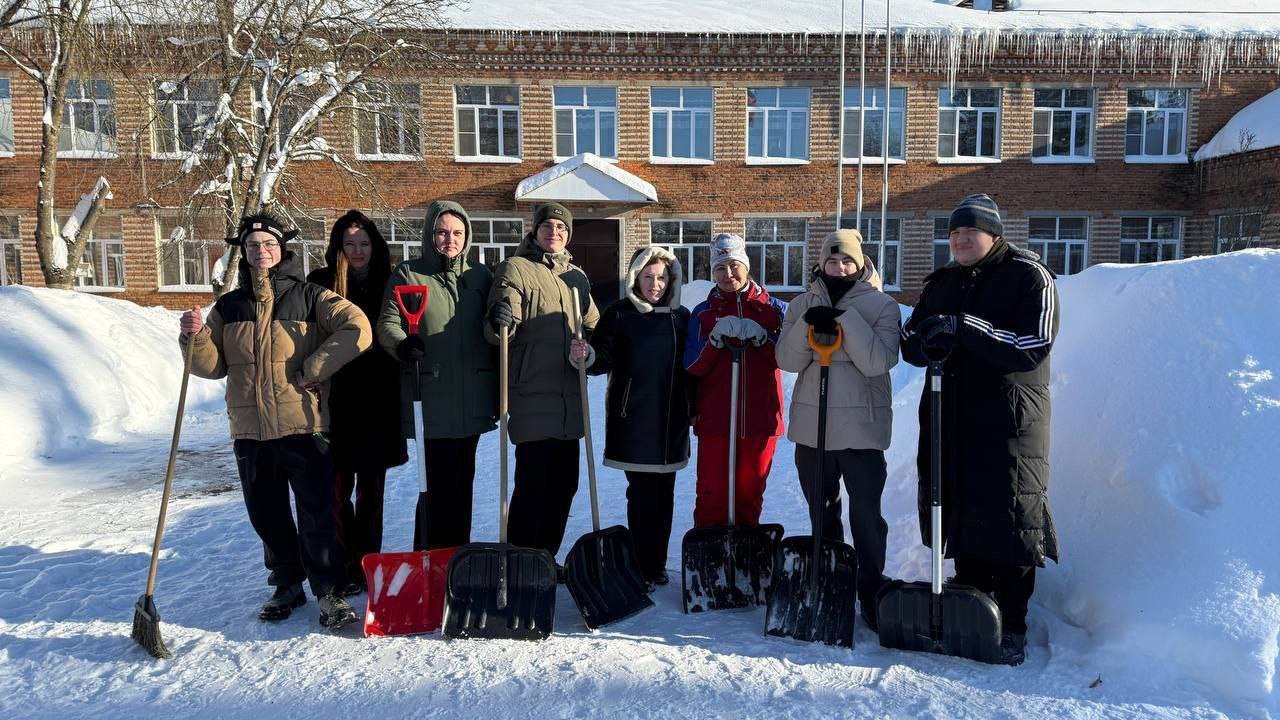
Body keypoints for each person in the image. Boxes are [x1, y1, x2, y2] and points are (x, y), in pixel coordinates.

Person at [178, 212, 370, 629]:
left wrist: (316, 367)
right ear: (243, 253)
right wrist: (194, 337)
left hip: (303, 424)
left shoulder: (311, 296)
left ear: (282, 251)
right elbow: (211, 367)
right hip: (250, 430)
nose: (261, 252)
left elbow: (359, 327)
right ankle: (286, 583)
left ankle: (330, 592)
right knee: (266, 513)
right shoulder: (227, 307)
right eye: (252, 246)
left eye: (268, 245)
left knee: (317, 512)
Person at [900, 193, 1060, 666]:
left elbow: (1034, 343)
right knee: (958, 507)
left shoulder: (1030, 275)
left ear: (993, 234)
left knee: (1011, 514)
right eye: (953, 233)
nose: (961, 239)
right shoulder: (942, 282)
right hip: (951, 414)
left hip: (1011, 419)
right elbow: (911, 342)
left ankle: (1010, 622)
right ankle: (970, 605)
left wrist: (966, 326)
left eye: (970, 232)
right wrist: (926, 336)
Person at [775, 229, 900, 631]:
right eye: (832, 261)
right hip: (814, 430)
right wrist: (807, 324)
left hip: (862, 431)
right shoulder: (800, 304)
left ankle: (871, 588)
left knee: (866, 515)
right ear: (821, 263)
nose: (840, 267)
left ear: (860, 263)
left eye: (847, 261)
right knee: (821, 511)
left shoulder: (882, 306)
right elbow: (788, 361)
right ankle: (830, 580)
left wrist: (845, 320)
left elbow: (877, 361)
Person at [375, 200, 497, 551]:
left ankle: (455, 558)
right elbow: (387, 324)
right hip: (430, 397)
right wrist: (402, 345)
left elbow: (493, 324)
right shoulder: (409, 275)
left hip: (472, 397)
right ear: (430, 234)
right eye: (442, 232)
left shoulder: (479, 277)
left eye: (457, 233)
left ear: (467, 237)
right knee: (435, 487)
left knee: (463, 486)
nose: (450, 239)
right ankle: (428, 557)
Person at [484, 202, 598, 576]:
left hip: (570, 402)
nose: (555, 233)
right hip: (532, 397)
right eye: (547, 226)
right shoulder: (516, 268)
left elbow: (593, 326)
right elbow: (498, 328)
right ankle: (520, 560)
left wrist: (590, 349)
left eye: (562, 228)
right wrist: (500, 319)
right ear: (534, 231)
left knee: (565, 487)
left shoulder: (577, 277)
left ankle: (545, 558)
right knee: (532, 490)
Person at [306, 210, 407, 596]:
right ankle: (340, 560)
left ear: (375, 246)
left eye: (364, 243)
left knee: (371, 489)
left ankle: (367, 561)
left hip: (379, 400)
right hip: (336, 399)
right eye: (350, 244)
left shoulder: (389, 283)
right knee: (335, 486)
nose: (358, 251)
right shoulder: (321, 284)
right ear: (338, 246)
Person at [587, 246, 692, 588]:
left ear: (672, 278)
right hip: (634, 419)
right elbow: (601, 357)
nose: (655, 284)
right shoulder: (620, 314)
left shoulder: (682, 317)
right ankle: (641, 564)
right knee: (643, 495)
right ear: (635, 278)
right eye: (648, 277)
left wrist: (695, 409)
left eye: (661, 277)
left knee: (665, 496)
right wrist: (586, 354)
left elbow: (693, 368)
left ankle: (656, 564)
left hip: (672, 420)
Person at [683, 233, 786, 528]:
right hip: (716, 418)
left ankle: (746, 553)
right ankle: (711, 556)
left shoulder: (773, 310)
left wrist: (765, 339)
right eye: (720, 268)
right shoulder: (703, 314)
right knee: (711, 493)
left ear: (747, 265)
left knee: (749, 493)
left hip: (761, 417)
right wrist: (714, 343)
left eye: (734, 265)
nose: (728, 274)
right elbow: (692, 366)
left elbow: (788, 358)